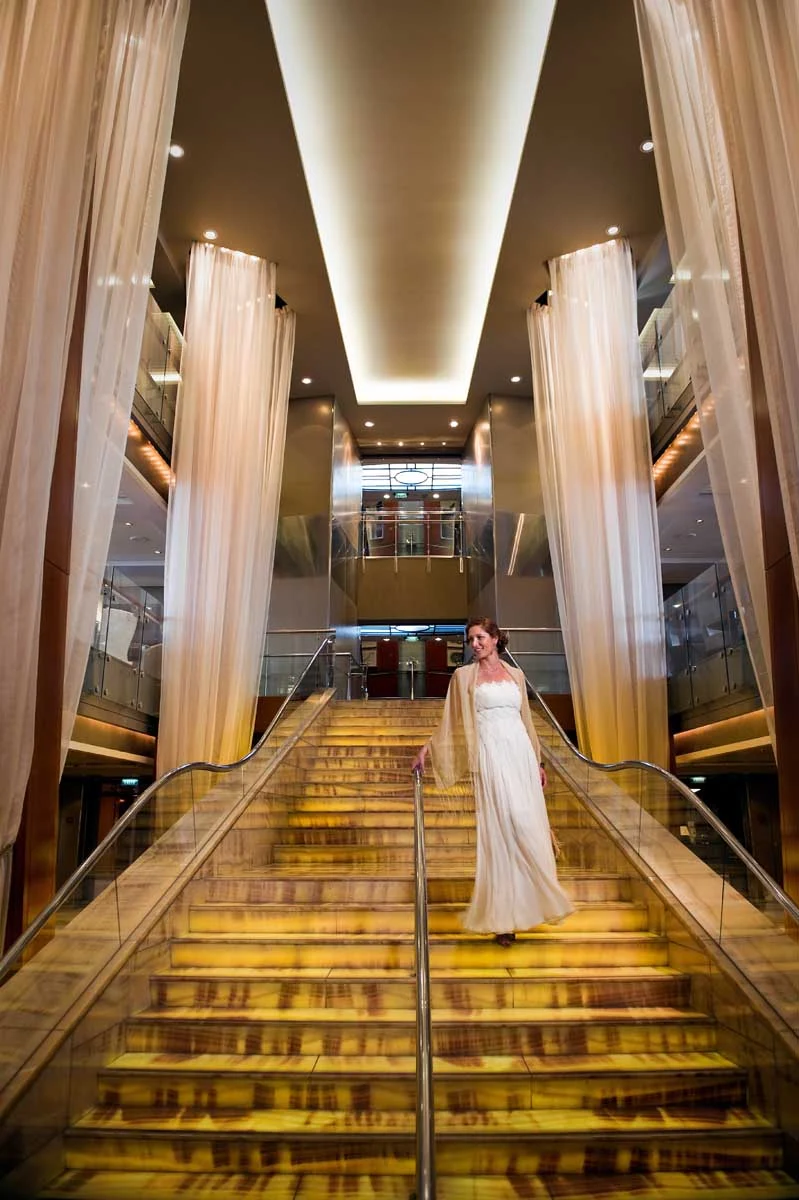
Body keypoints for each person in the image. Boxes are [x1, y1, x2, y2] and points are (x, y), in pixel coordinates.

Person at [411, 617, 573, 945]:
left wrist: (539, 762)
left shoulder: (516, 675)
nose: (475, 644)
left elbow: (527, 721)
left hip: (521, 757)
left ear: (496, 639)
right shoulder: (463, 676)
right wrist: (427, 750)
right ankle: (503, 920)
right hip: (490, 756)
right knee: (501, 831)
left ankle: (538, 900)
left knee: (527, 825)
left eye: (480, 637)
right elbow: (451, 721)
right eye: (471, 639)